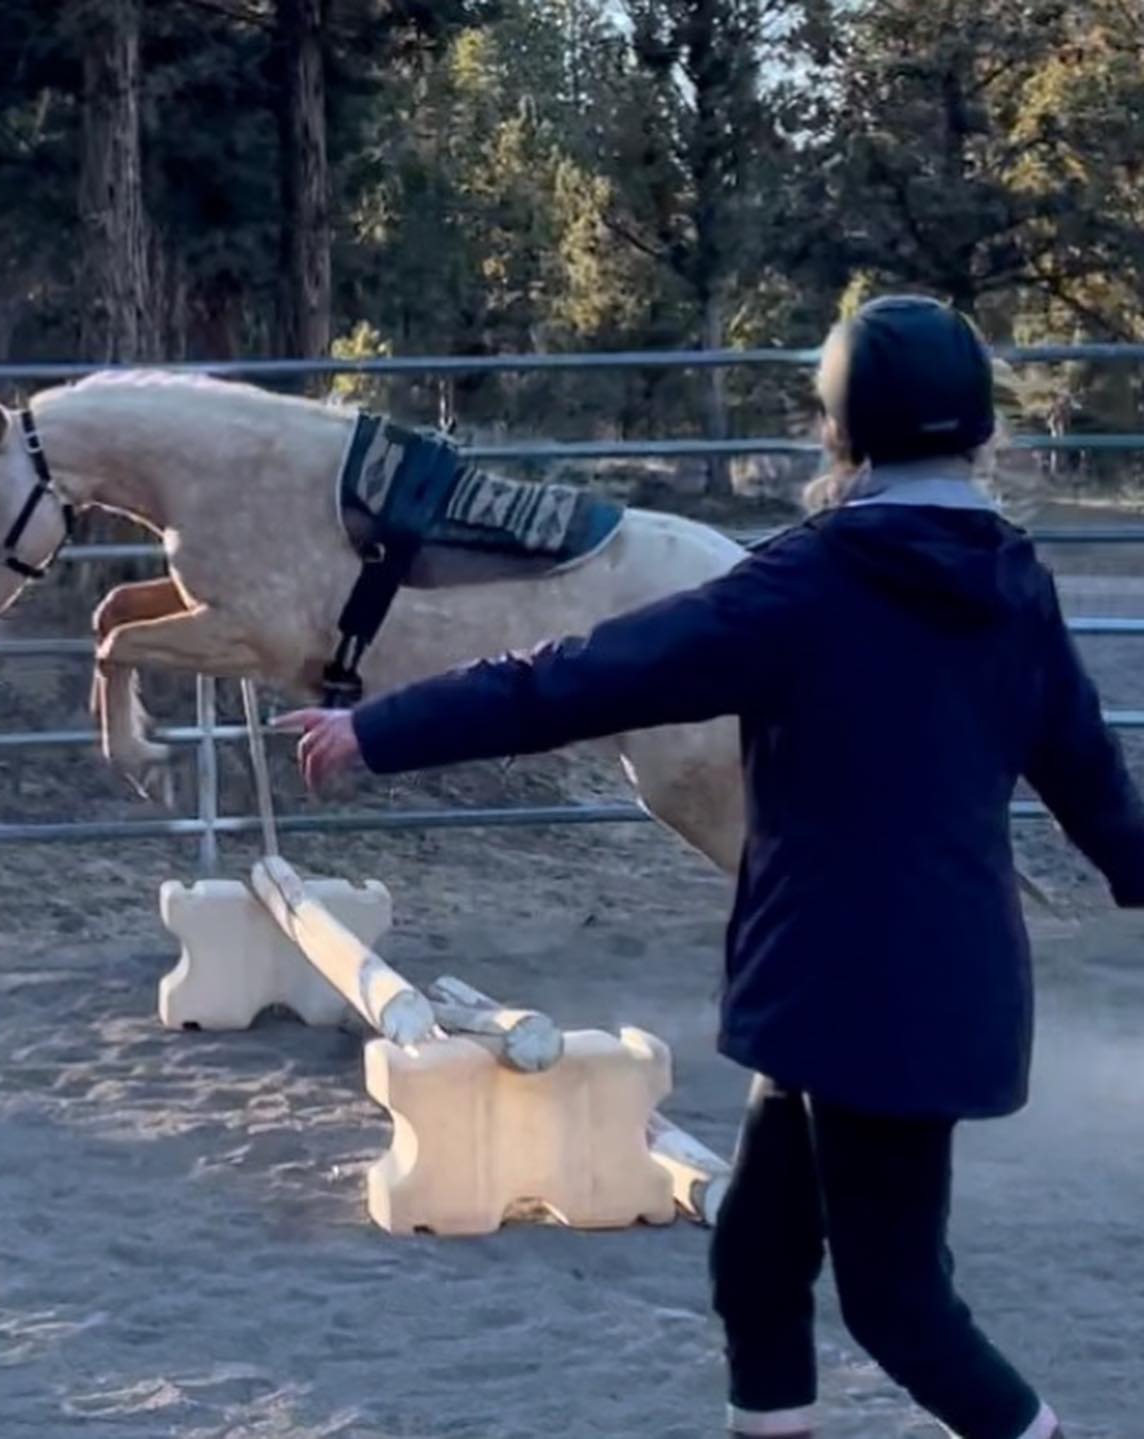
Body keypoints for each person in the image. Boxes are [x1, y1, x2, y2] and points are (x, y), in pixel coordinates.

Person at [274, 295, 1144, 1439]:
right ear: (981, 429)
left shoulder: (809, 585)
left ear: (842, 430)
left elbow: (582, 675)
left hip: (850, 998)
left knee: (899, 1304)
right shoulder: (1011, 585)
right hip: (904, 993)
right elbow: (1091, 776)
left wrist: (380, 729)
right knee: (758, 1260)